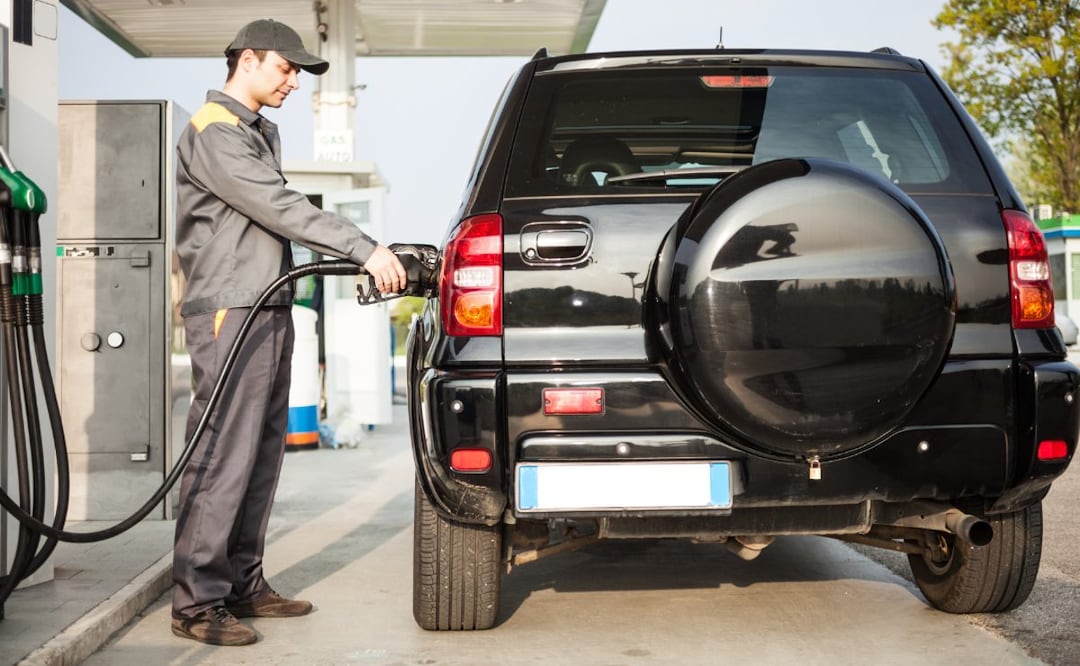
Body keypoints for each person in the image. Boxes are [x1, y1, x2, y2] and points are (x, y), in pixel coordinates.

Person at [170, 18, 406, 647]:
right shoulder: (215, 130)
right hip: (230, 309)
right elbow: (278, 206)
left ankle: (241, 583)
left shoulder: (252, 131)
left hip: (266, 304)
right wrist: (364, 248)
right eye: (285, 68)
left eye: (298, 72)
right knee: (224, 453)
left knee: (260, 453)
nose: (294, 82)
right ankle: (196, 601)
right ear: (247, 60)